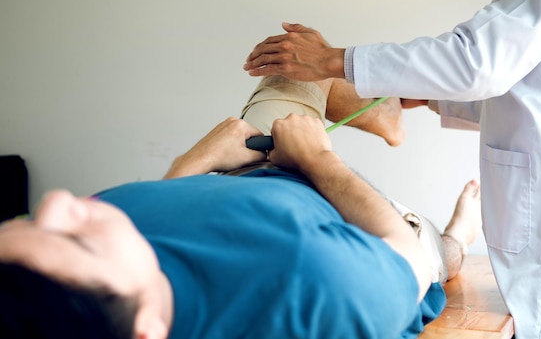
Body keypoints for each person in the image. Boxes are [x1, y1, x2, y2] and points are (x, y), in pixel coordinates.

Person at [242, 0, 541, 338]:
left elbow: (480, 64)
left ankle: (457, 232)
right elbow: (534, 94)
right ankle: (452, 223)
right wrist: (427, 97)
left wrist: (332, 60)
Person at [0, 75, 482, 339]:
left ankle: (388, 117)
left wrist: (193, 161)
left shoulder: (108, 259)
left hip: (243, 168)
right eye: (75, 240)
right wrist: (316, 159)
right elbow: (406, 257)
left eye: (23, 221)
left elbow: (153, 217)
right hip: (361, 215)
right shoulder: (321, 289)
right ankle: (461, 234)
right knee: (440, 252)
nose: (59, 201)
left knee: (295, 71)